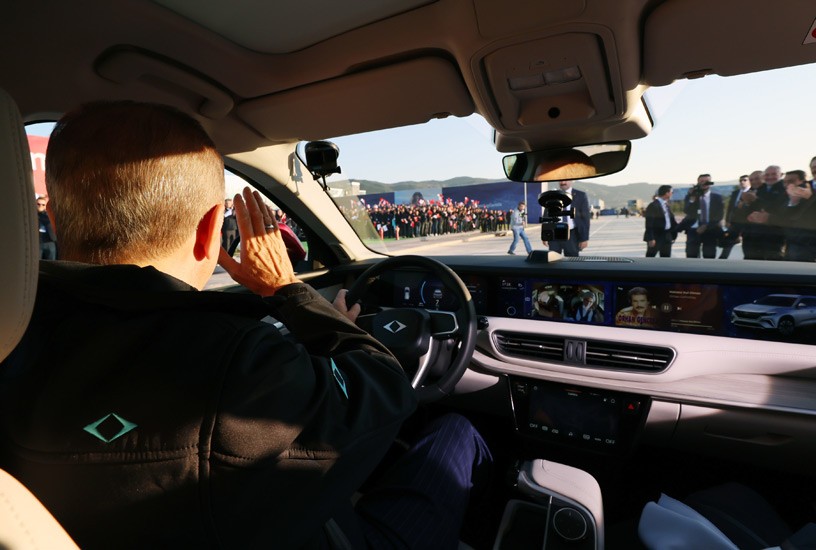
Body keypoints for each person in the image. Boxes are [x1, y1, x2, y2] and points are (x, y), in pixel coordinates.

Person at [0, 101, 492, 549]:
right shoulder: (237, 363)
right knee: (457, 431)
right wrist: (289, 291)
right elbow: (387, 388)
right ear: (212, 232)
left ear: (56, 225)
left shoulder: (13, 337)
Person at [748, 170, 816, 262]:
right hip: (790, 244)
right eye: (785, 182)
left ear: (803, 181)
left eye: (791, 181)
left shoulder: (808, 197)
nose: (787, 184)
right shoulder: (785, 195)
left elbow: (794, 221)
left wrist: (769, 218)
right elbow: (774, 211)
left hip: (806, 246)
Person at [744, 165, 788, 260]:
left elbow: (777, 209)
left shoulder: (785, 189)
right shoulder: (760, 188)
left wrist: (756, 200)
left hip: (774, 236)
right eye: (767, 174)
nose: (770, 177)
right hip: (754, 235)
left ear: (781, 175)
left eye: (773, 174)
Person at [541, 181, 591, 256]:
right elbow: (546, 216)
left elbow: (585, 218)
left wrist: (584, 238)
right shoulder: (552, 195)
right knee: (553, 260)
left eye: (566, 180)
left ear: (571, 181)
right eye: (561, 180)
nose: (563, 182)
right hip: (554, 233)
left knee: (572, 262)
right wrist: (545, 235)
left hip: (572, 234)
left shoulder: (580, 195)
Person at [682, 174, 724, 258]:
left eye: (707, 181)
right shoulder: (691, 196)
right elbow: (687, 211)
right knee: (691, 257)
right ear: (697, 182)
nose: (704, 183)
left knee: (709, 257)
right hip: (693, 230)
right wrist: (692, 198)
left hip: (710, 229)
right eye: (701, 181)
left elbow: (719, 215)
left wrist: (706, 226)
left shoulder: (717, 197)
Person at [643, 185, 678, 257]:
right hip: (656, 237)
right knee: (650, 259)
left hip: (667, 236)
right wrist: (651, 238)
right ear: (666, 193)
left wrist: (674, 234)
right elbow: (649, 224)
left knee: (666, 259)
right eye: (671, 192)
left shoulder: (666, 205)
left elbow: (671, 221)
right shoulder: (653, 205)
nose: (672, 194)